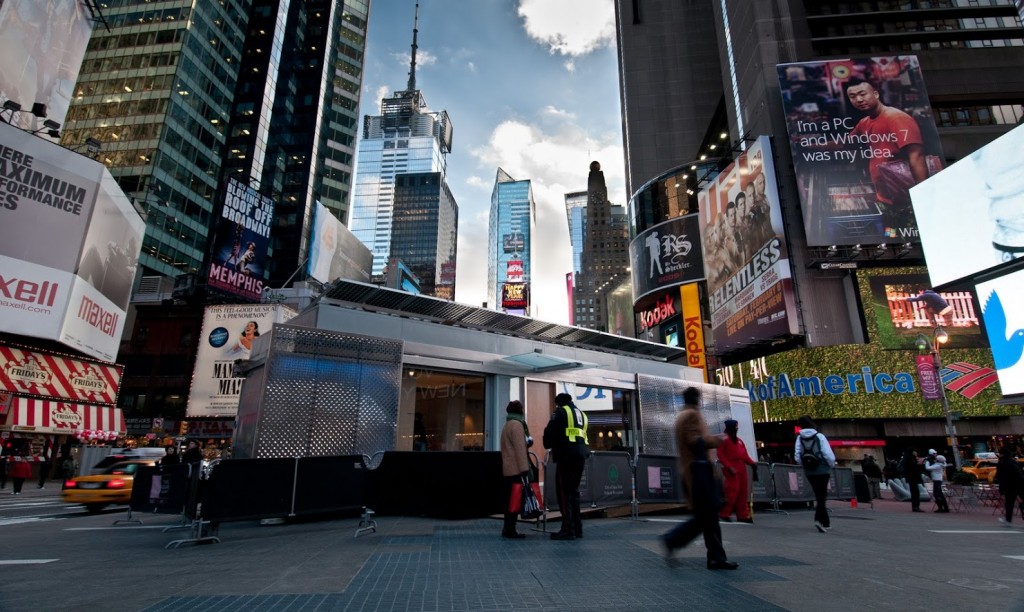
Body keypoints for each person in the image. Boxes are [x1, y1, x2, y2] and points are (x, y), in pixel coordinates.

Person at [661, 387, 737, 570]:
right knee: (707, 517)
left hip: (694, 472)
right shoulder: (691, 416)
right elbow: (694, 440)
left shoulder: (683, 415)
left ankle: (715, 557)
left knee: (707, 518)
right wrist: (718, 439)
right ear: (697, 399)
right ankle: (673, 539)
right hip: (698, 473)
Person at [844, 77, 930, 221]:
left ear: (876, 94)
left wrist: (924, 198)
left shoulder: (896, 118)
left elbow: (917, 157)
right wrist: (810, 144)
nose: (858, 99)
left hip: (905, 200)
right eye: (852, 97)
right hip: (886, 197)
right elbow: (844, 143)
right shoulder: (864, 122)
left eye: (862, 94)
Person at [543, 392, 589, 541]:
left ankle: (567, 528)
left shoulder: (561, 412)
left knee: (564, 493)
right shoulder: (582, 414)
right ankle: (577, 527)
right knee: (574, 492)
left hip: (566, 457)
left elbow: (549, 437)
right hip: (580, 457)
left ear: (558, 403)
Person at [794, 415, 836, 532]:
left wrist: (805, 466)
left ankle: (825, 523)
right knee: (822, 496)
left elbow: (797, 456)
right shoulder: (819, 436)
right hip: (822, 469)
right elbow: (827, 453)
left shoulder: (799, 438)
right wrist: (831, 464)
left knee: (819, 495)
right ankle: (818, 519)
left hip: (809, 471)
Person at [499, 400, 532, 539]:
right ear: (520, 410)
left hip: (507, 468)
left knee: (509, 501)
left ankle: (508, 528)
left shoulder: (506, 425)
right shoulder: (517, 425)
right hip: (516, 469)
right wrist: (525, 469)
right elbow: (520, 449)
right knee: (515, 501)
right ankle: (510, 529)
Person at [717, 419, 757, 524]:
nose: (737, 429)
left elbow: (744, 455)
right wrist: (728, 466)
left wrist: (752, 463)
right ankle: (724, 513)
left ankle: (742, 515)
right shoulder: (724, 440)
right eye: (735, 427)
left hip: (741, 468)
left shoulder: (739, 441)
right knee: (732, 492)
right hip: (732, 469)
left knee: (743, 492)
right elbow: (720, 454)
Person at [995, 447, 1024, 527]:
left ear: (1002, 454)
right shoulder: (1014, 462)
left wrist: (1002, 489)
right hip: (1020, 484)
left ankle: (1008, 520)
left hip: (1010, 486)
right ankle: (1008, 520)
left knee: (1009, 503)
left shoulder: (1002, 462)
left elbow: (1001, 477)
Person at [901, 448, 925, 512]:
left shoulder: (907, 458)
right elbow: (914, 467)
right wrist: (919, 463)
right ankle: (916, 506)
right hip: (913, 477)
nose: (916, 453)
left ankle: (915, 506)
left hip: (911, 477)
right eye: (915, 451)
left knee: (914, 492)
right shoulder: (910, 458)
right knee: (915, 492)